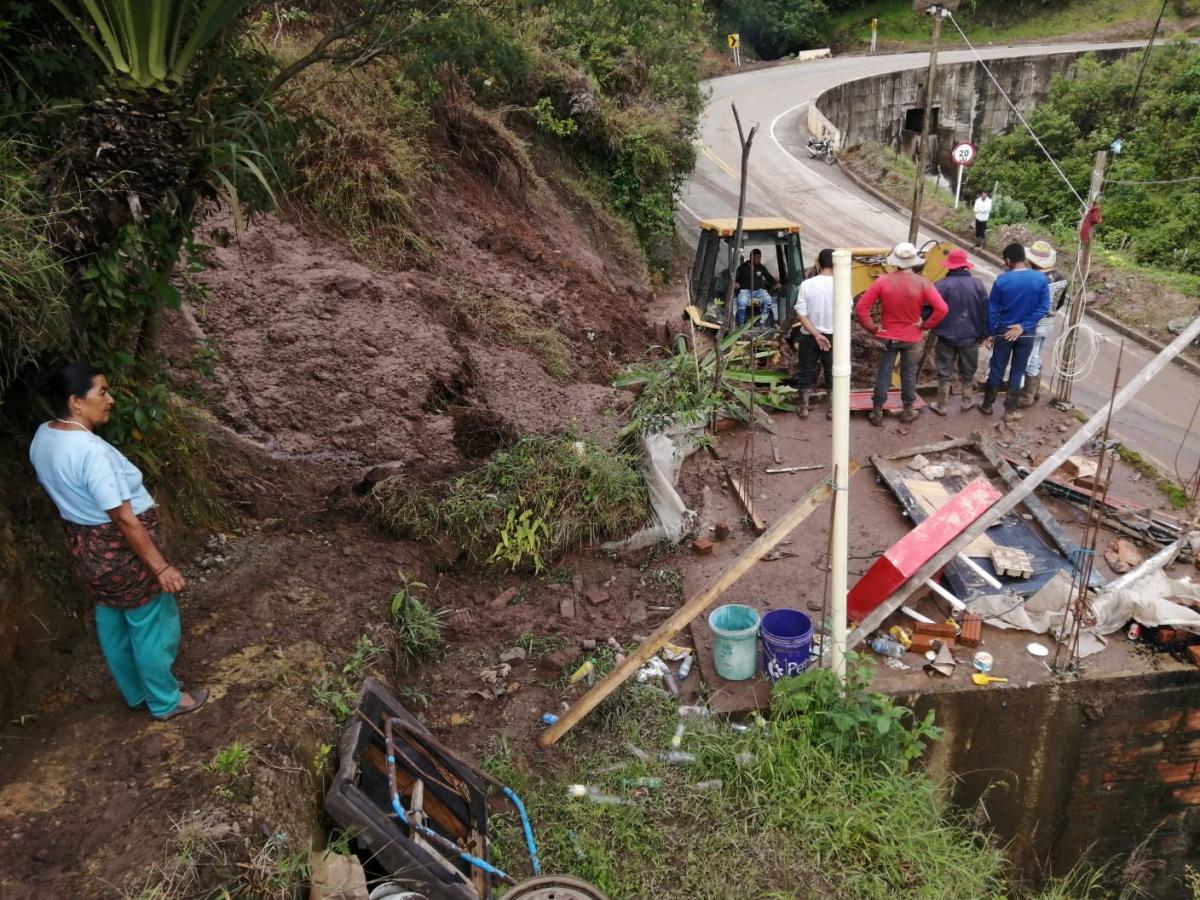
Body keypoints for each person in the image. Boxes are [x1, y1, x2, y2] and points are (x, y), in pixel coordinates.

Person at [29, 363, 208, 720]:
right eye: (102, 393)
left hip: (85, 546)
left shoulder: (45, 435)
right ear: (75, 402)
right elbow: (123, 518)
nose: (110, 400)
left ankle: (137, 693)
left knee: (112, 619)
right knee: (151, 622)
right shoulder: (89, 452)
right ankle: (166, 701)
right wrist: (161, 567)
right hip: (119, 551)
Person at [855, 242, 948, 426]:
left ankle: (877, 412)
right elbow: (942, 309)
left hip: (887, 335)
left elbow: (861, 308)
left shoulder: (882, 281)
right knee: (909, 373)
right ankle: (907, 410)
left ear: (895, 262)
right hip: (912, 337)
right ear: (914, 262)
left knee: (884, 373)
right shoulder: (923, 283)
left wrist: (872, 328)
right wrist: (925, 325)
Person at [980, 244, 1050, 424]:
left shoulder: (1002, 281)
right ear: (1024, 258)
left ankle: (987, 405)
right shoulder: (1040, 279)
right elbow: (1043, 307)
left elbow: (992, 309)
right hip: (1026, 334)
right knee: (1017, 371)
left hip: (1004, 332)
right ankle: (1010, 411)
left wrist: (990, 332)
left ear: (1008, 261)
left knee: (997, 368)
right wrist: (1023, 326)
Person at [928, 247, 989, 415]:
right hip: (970, 337)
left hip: (945, 337)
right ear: (965, 266)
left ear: (949, 266)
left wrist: (931, 325)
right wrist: (984, 333)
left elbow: (927, 309)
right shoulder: (978, 285)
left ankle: (942, 405)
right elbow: (985, 311)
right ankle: (967, 401)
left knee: (944, 371)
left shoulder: (940, 285)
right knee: (968, 370)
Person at [1020, 240, 1069, 408]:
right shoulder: (1061, 278)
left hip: (1034, 323)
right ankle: (1034, 391)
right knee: (1036, 353)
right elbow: (1060, 302)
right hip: (1049, 322)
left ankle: (1027, 395)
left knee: (1029, 357)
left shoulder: (1035, 280)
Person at [792, 248, 835, 419]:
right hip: (832, 337)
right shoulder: (842, 285)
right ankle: (833, 409)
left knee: (806, 371)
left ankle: (803, 407)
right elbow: (847, 312)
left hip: (809, 336)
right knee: (832, 372)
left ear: (818, 263)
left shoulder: (807, 285)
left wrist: (816, 334)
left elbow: (801, 315)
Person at [734, 248, 779, 326]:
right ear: (752, 257)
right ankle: (740, 324)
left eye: (760, 258)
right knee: (741, 303)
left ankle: (762, 322)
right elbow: (734, 279)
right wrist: (735, 283)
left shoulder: (761, 267)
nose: (759, 260)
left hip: (759, 291)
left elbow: (768, 277)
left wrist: (775, 283)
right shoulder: (742, 268)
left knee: (768, 301)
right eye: (757, 258)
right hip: (745, 292)